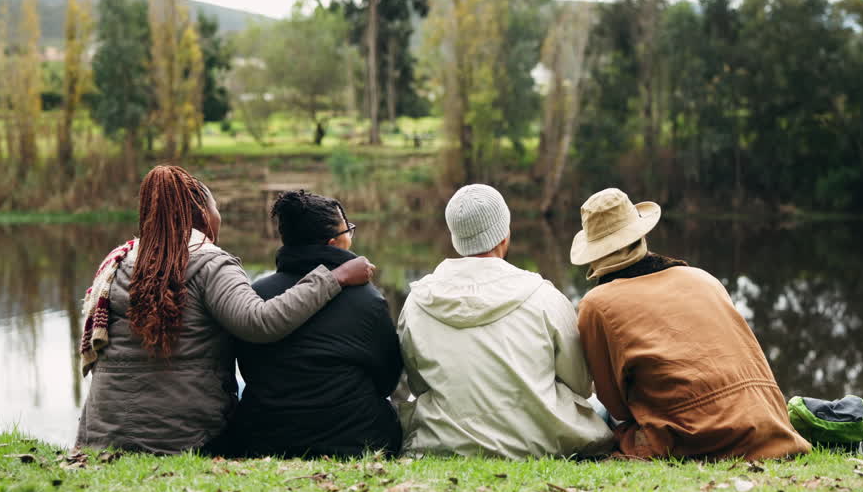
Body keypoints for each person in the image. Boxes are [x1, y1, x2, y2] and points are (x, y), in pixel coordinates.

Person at [74, 165, 375, 455]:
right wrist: (336, 277)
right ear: (205, 215)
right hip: (182, 439)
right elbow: (260, 322)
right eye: (216, 209)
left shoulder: (120, 261)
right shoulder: (209, 263)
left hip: (104, 435)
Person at [571, 188, 811, 461]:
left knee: (595, 413)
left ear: (594, 253)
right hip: (769, 424)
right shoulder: (701, 277)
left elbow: (616, 406)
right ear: (641, 234)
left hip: (694, 438)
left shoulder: (597, 304)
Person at [396, 184, 614, 459]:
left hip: (443, 440)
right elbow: (580, 385)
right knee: (600, 408)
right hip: (542, 442)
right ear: (505, 234)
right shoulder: (544, 296)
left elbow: (418, 384)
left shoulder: (417, 301)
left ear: (455, 238)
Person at [215, 191, 404, 458]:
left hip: (265, 440)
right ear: (334, 243)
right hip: (356, 441)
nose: (351, 236)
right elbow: (387, 380)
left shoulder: (254, 296)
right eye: (348, 230)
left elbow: (247, 370)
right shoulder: (368, 299)